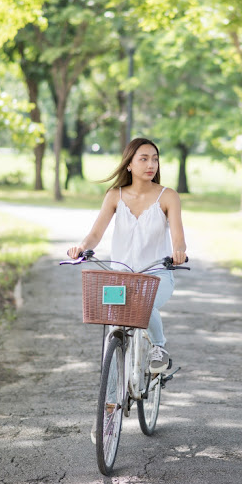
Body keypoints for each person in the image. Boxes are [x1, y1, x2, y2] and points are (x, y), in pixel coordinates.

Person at [67, 137, 187, 373]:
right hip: (121, 277)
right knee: (113, 334)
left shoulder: (168, 196)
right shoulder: (115, 195)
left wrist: (179, 252)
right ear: (129, 164)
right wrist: (81, 247)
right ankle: (111, 403)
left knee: (145, 303)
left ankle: (159, 348)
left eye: (155, 159)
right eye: (143, 159)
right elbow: (95, 234)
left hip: (157, 275)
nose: (151, 164)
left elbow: (178, 237)